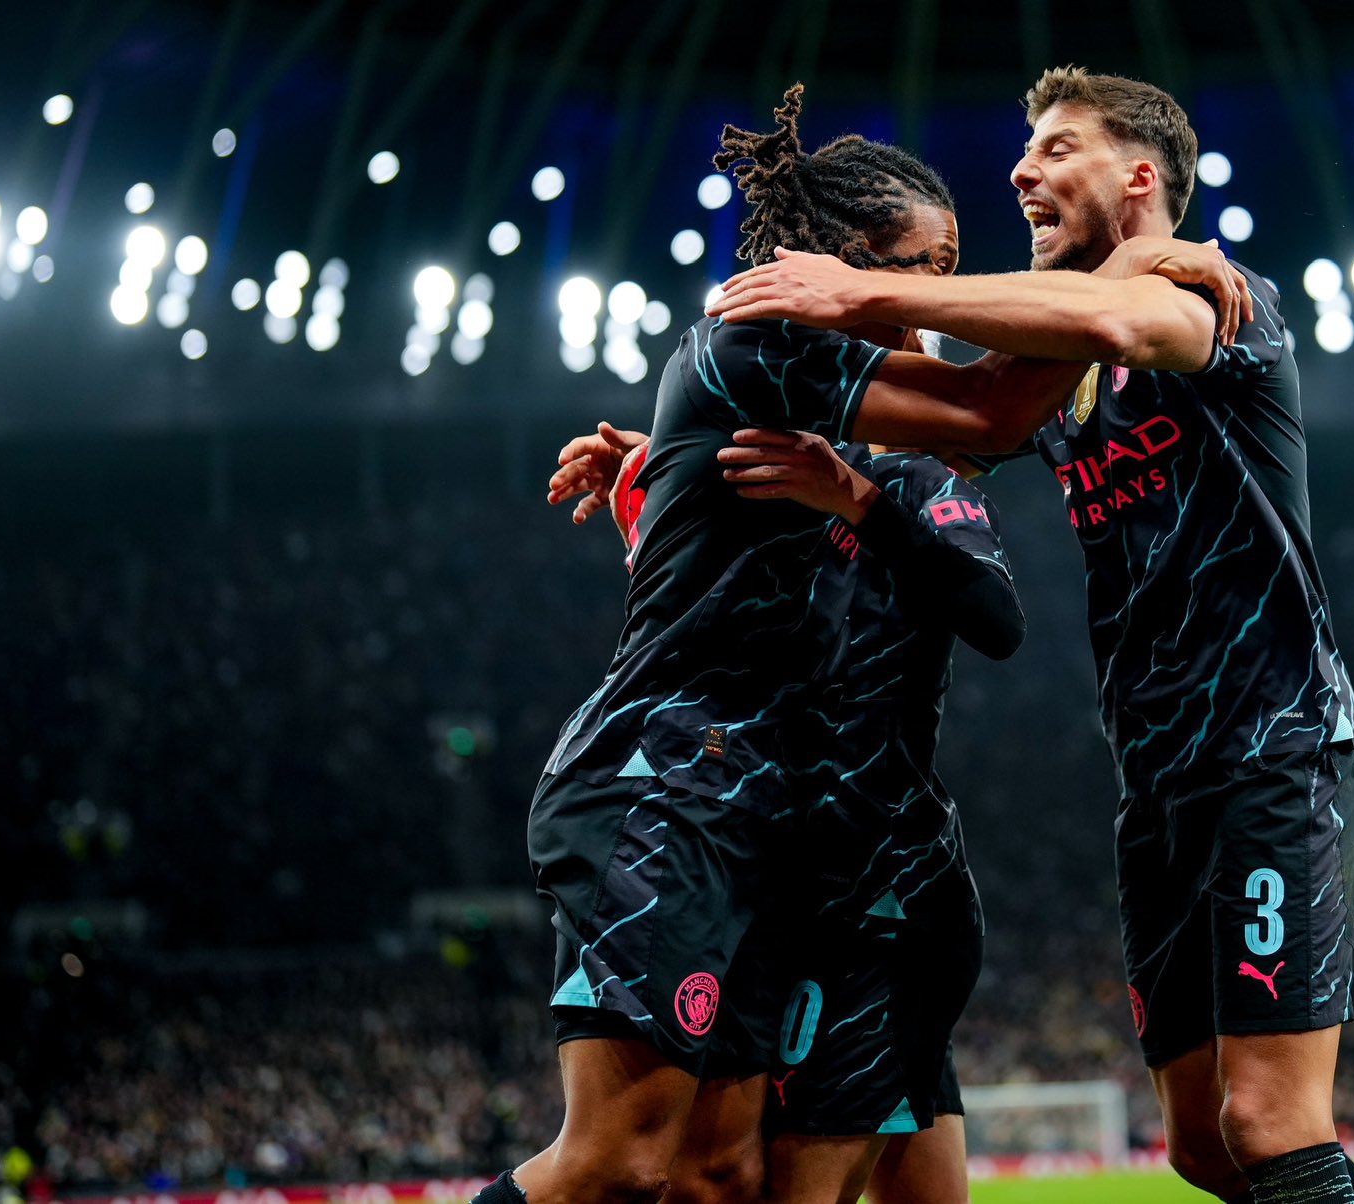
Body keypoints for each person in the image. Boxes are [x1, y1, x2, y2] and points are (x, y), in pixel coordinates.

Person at [487, 83, 1171, 1204]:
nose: (921, 307)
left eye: (944, 274)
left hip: (778, 831)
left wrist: (654, 481)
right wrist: (1116, 276)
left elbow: (953, 586)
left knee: (716, 1175)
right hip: (667, 793)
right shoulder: (756, 343)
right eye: (911, 271)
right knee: (616, 1164)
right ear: (830, 267)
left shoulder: (852, 441)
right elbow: (993, 413)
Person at [705, 67, 1354, 1204]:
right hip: (1156, 781)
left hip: (1273, 749)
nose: (1022, 169)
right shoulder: (1063, 378)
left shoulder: (1210, 299)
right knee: (1200, 1144)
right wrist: (673, 452)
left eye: (1058, 148)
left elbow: (1118, 317)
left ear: (1140, 176)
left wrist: (861, 288)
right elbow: (962, 417)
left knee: (1267, 1122)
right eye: (1027, 150)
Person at [605, 429, 1013, 1203]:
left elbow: (998, 619)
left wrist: (858, 501)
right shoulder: (764, 486)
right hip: (779, 889)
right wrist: (656, 481)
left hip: (880, 897)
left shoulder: (913, 480)